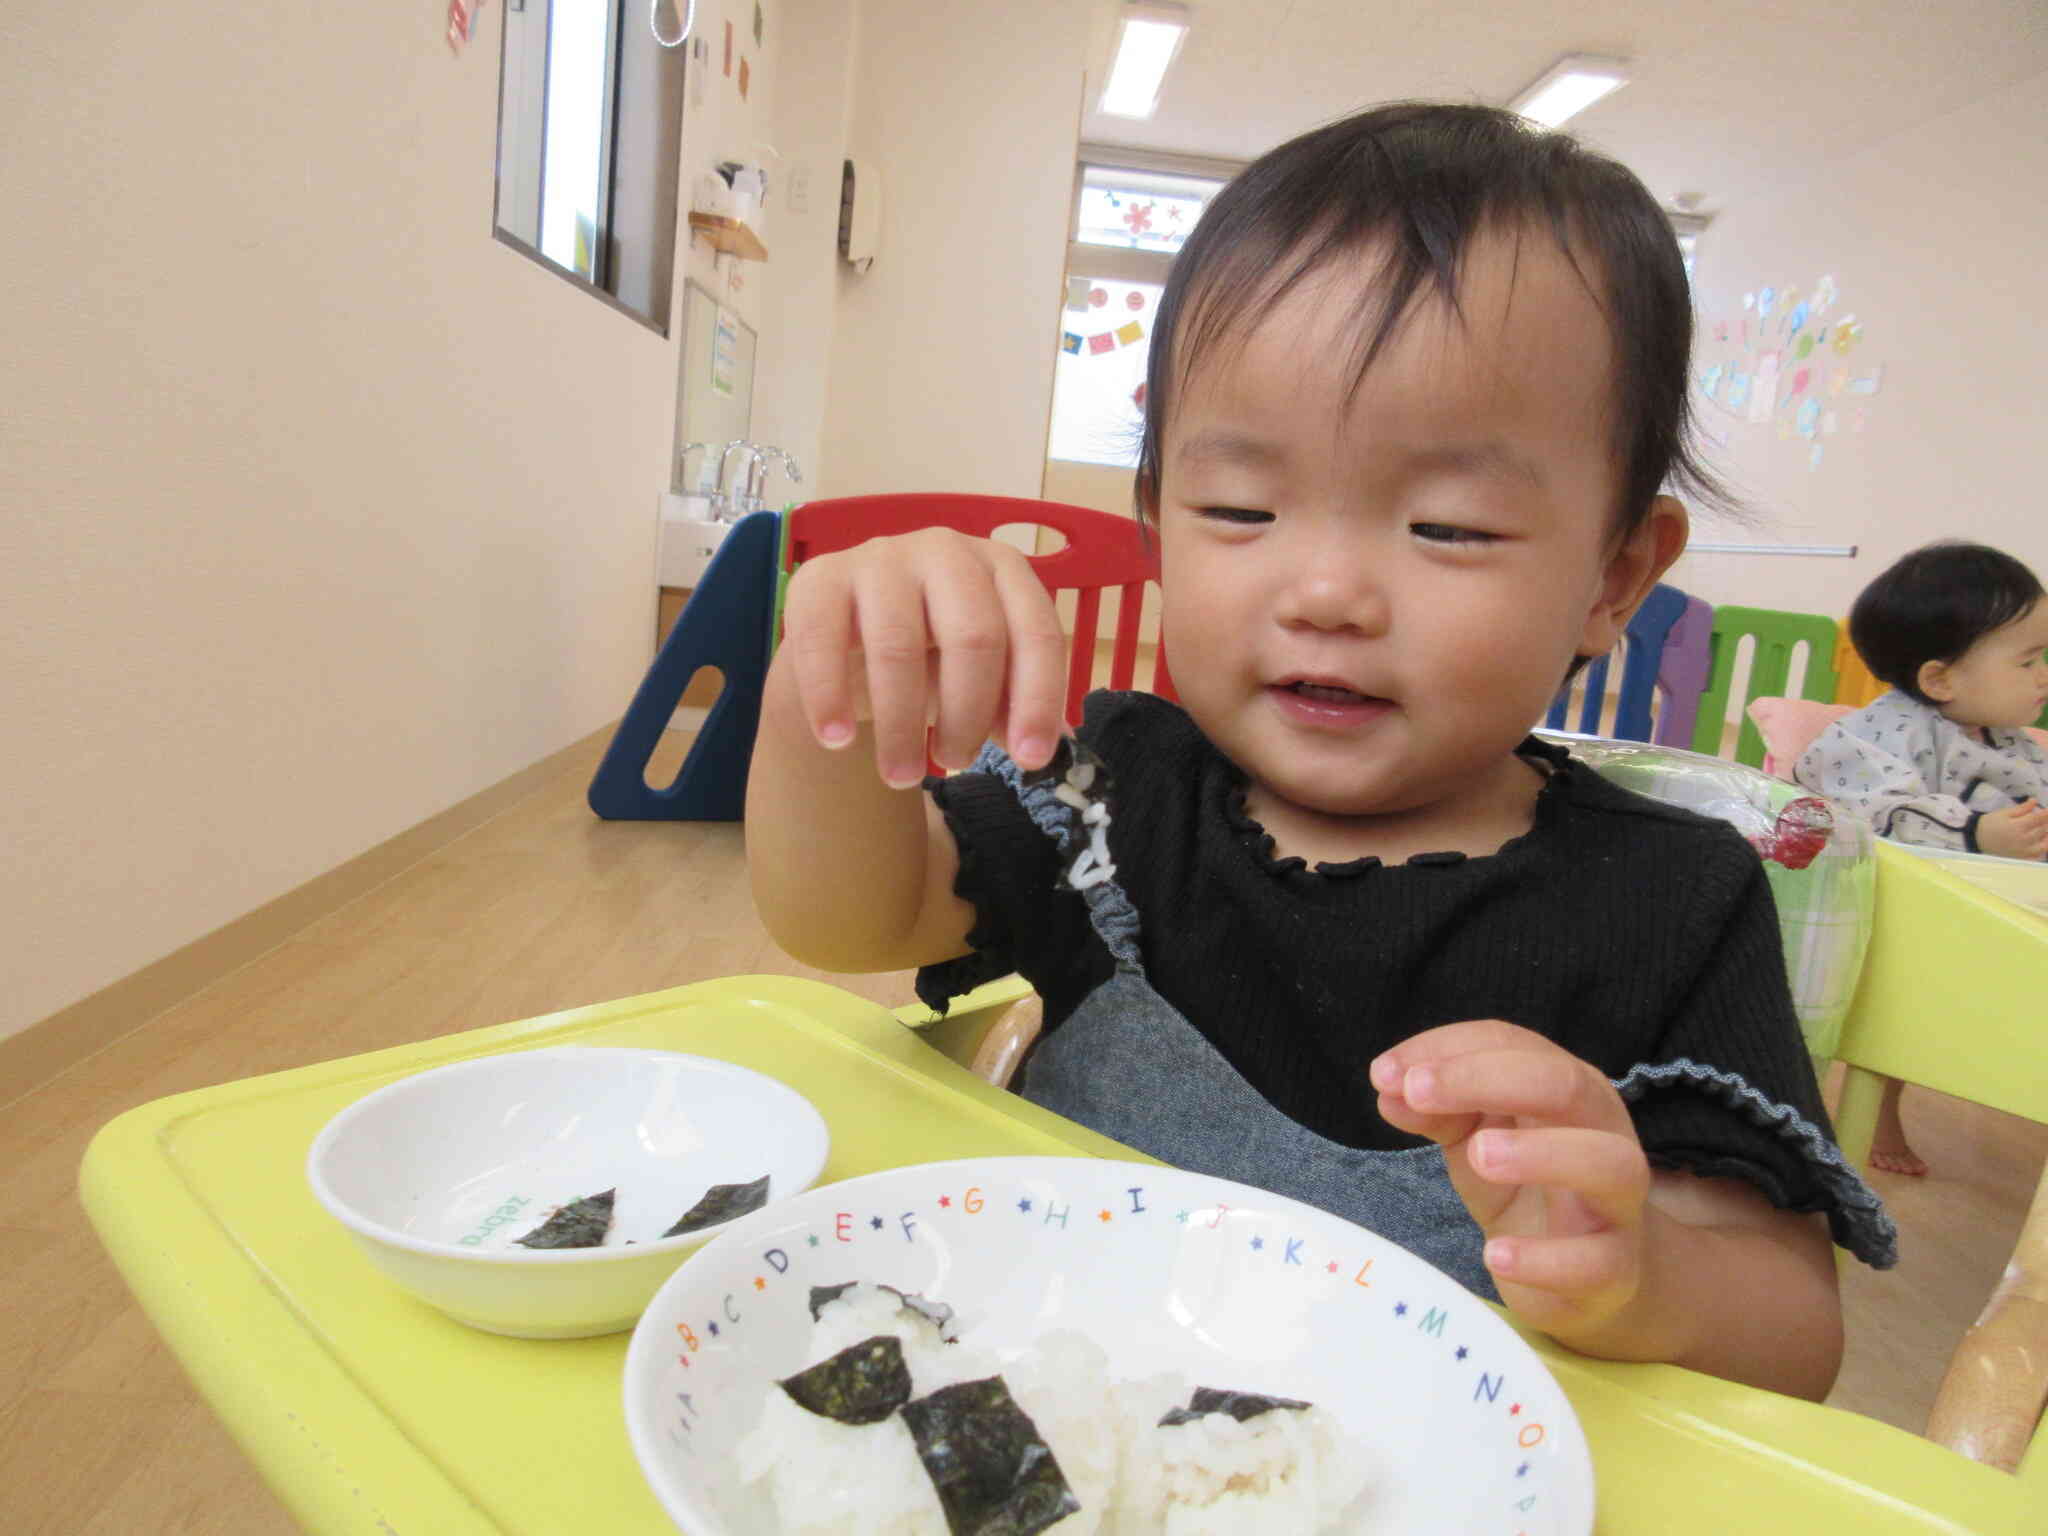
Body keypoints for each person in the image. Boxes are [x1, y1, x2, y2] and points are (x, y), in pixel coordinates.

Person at [748, 103, 1892, 1400]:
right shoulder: (1115, 786)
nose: (1329, 592)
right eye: (1241, 509)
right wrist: (826, 691)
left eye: (1450, 527)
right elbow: (848, 911)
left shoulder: (1674, 899)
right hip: (1059, 1421)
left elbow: (1798, 1338)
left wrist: (1650, 1275)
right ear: (1159, 524)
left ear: (1614, 577)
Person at [1794, 540, 2048, 1174]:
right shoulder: (1881, 733)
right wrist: (1976, 832)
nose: (2044, 676)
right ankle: (1879, 1108)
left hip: (2004, 907)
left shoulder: (2015, 742)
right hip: (1911, 917)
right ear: (1940, 678)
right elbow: (1872, 814)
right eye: (2029, 661)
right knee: (1901, 1022)